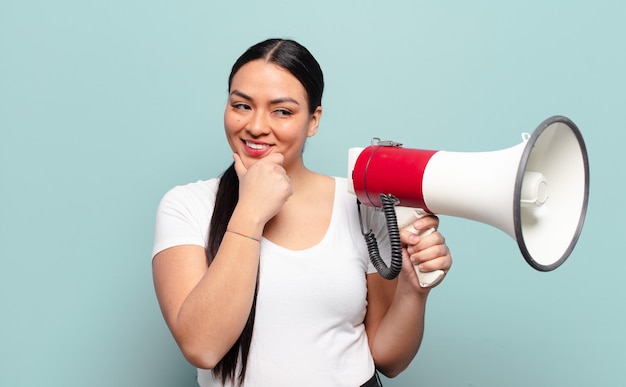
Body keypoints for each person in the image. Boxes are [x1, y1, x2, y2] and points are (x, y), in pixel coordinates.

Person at [152, 38, 453, 387]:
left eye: (282, 111)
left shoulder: (359, 204)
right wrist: (250, 211)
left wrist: (413, 291)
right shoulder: (186, 206)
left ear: (313, 120)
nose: (256, 126)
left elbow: (389, 358)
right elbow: (202, 347)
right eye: (241, 105)